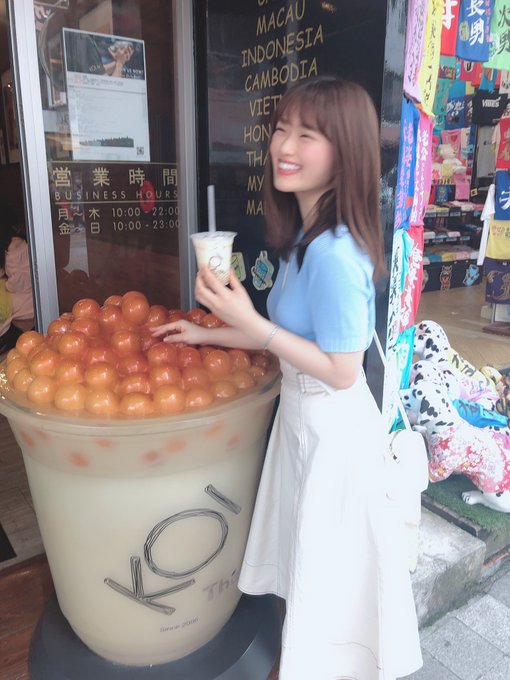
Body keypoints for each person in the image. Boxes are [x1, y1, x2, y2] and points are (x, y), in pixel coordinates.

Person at [153, 77, 422, 680]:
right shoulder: (305, 237)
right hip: (303, 427)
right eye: (281, 129)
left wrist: (247, 319)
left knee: (330, 583)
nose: (285, 146)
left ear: (345, 152)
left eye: (308, 135)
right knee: (313, 574)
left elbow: (344, 370)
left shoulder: (334, 253)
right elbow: (288, 337)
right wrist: (208, 332)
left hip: (335, 438)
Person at [0, 223, 34, 352]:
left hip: (26, 302)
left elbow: (21, 279)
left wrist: (8, 285)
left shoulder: (14, 246)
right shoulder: (15, 243)